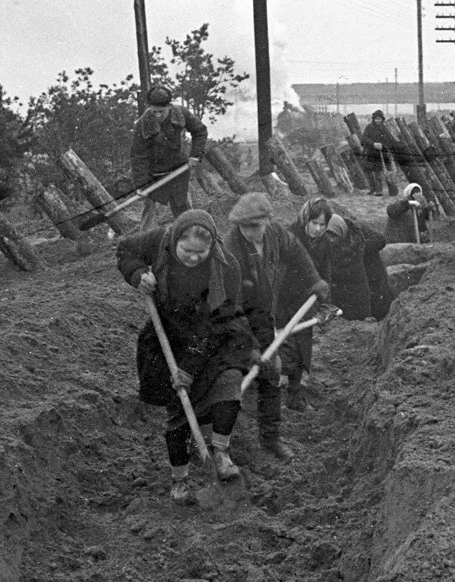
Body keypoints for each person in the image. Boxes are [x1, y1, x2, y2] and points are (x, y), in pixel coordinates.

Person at [115, 209, 255, 504]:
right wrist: (137, 273)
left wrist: (188, 368)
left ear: (212, 247)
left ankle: (220, 452)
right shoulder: (159, 240)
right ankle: (179, 482)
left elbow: (214, 324)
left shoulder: (226, 267)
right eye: (187, 251)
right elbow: (125, 248)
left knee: (228, 384)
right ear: (175, 240)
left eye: (200, 253)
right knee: (178, 406)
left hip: (214, 335)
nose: (193, 258)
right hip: (169, 333)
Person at [225, 192, 329, 461]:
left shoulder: (274, 235)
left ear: (267, 222)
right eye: (246, 228)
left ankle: (270, 439)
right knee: (228, 379)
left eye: (256, 227)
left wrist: (314, 280)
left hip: (262, 316)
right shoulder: (231, 251)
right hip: (232, 321)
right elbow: (231, 307)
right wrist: (249, 347)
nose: (251, 233)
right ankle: (220, 443)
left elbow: (295, 251)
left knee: (272, 371)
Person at [130, 85, 208, 230]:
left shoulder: (181, 113)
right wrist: (141, 186)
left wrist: (195, 155)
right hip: (153, 173)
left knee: (183, 205)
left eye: (161, 111)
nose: (158, 115)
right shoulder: (142, 123)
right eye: (154, 112)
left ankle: (190, 233)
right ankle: (147, 240)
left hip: (177, 169)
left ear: (169, 106)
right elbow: (137, 156)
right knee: (149, 209)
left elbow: (200, 131)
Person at [360, 110, 401, 196]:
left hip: (384, 152)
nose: (378, 121)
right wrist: (373, 144)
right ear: (373, 119)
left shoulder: (385, 128)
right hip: (371, 153)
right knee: (375, 171)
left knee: (389, 171)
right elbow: (364, 139)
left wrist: (384, 145)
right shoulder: (369, 127)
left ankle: (393, 189)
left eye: (379, 119)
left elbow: (390, 139)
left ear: (382, 119)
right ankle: (377, 190)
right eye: (376, 119)